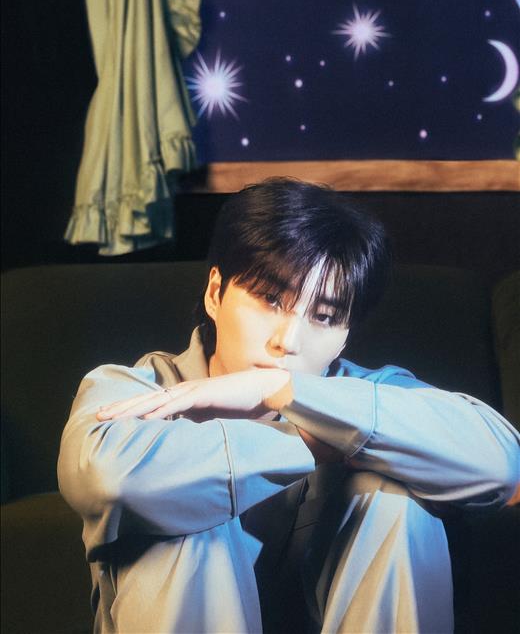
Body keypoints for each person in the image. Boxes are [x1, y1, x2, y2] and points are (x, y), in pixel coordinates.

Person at [58, 178, 519, 634]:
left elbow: (502, 463)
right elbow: (110, 480)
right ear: (215, 294)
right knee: (177, 506)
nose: (289, 341)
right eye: (270, 299)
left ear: (345, 334)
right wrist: (311, 441)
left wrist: (279, 390)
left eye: (323, 316)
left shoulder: (363, 392)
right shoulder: (133, 388)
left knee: (395, 496)